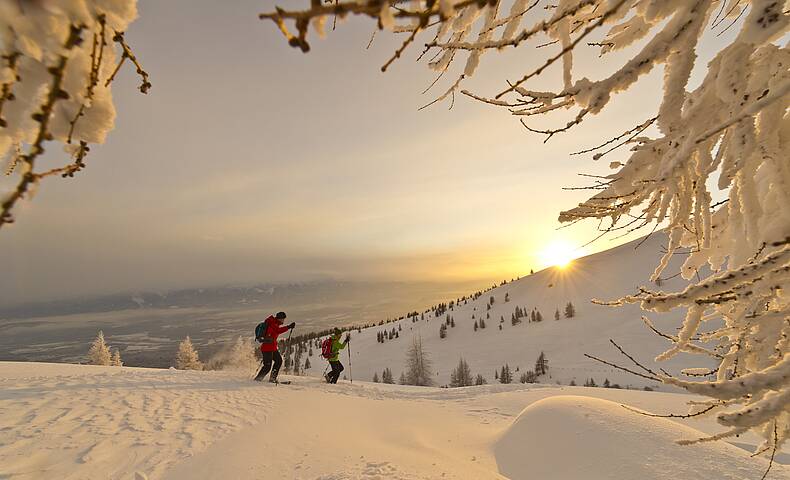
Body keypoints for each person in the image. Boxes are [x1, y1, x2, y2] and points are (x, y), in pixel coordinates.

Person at [254, 311, 295, 382]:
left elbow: (276, 332)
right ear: (279, 318)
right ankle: (258, 379)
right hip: (267, 349)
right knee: (267, 366)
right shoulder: (272, 323)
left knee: (278, 361)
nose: (283, 320)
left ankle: (272, 378)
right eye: (283, 319)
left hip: (272, 347)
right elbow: (278, 330)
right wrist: (288, 327)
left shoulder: (274, 323)